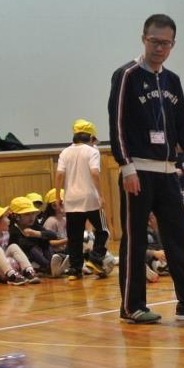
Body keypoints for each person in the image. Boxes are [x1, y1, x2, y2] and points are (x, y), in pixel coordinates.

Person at [108, 14, 184, 325]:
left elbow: (182, 122)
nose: (160, 48)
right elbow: (116, 123)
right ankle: (132, 305)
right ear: (143, 38)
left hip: (169, 171)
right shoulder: (126, 76)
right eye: (154, 42)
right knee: (135, 239)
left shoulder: (172, 80)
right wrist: (126, 165)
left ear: (173, 44)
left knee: (178, 238)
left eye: (166, 43)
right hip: (139, 171)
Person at [56, 118, 109, 279]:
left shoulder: (65, 152)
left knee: (74, 237)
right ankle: (95, 258)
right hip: (90, 198)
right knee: (103, 231)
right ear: (91, 138)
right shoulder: (92, 151)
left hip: (71, 199)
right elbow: (94, 172)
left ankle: (75, 270)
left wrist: (58, 195)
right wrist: (100, 195)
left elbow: (59, 174)